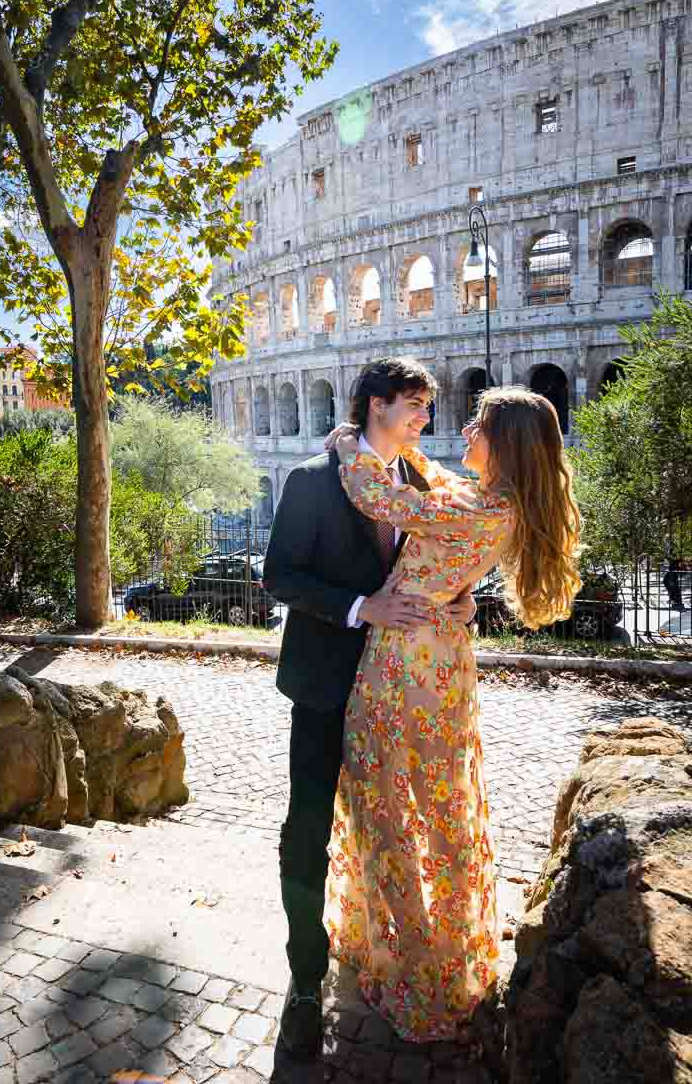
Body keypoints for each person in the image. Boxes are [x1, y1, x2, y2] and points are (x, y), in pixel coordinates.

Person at [324, 386, 582, 1043]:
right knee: (441, 806)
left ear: (504, 445)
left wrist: (354, 446)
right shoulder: (502, 504)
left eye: (478, 425)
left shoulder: (472, 505)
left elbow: (385, 500)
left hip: (402, 664)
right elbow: (436, 487)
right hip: (443, 658)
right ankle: (445, 952)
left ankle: (416, 969)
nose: (464, 429)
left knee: (386, 801)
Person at [263, 357, 477, 1057]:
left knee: (398, 829)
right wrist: (362, 607)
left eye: (426, 408)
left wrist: (459, 598)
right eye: (415, 405)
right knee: (308, 829)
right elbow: (280, 576)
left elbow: (442, 564)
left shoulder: (422, 482)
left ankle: (392, 957)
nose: (425, 419)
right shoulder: (311, 480)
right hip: (327, 686)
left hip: (402, 692)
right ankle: (304, 981)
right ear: (376, 404)